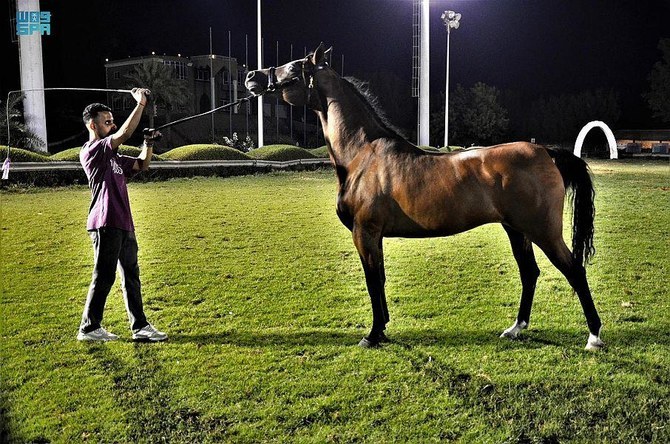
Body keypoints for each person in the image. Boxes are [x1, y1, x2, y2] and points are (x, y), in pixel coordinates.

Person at [77, 87, 166, 342]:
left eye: (112, 120)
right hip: (105, 222)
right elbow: (125, 133)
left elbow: (141, 165)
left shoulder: (113, 157)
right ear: (93, 126)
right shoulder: (93, 151)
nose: (112, 124)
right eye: (107, 122)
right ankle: (89, 328)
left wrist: (148, 143)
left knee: (131, 275)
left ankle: (140, 327)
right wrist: (140, 104)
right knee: (104, 276)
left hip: (124, 222)